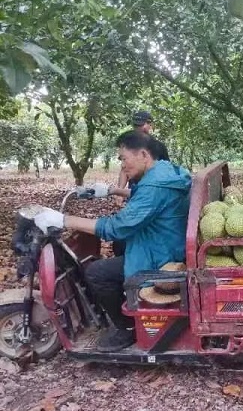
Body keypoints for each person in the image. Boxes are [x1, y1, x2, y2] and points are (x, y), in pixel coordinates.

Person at [33, 130, 191, 352]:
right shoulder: (167, 172)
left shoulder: (155, 186)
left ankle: (126, 328)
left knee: (97, 273)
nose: (122, 165)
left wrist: (63, 219)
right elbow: (144, 197)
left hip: (162, 255)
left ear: (144, 154)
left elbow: (117, 227)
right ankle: (125, 304)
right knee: (118, 247)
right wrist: (109, 191)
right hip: (167, 241)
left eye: (124, 158)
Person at [115, 111, 170, 204]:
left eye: (141, 125)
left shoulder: (158, 147)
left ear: (150, 125)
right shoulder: (129, 146)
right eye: (136, 126)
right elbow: (124, 170)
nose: (139, 129)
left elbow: (166, 171)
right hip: (134, 192)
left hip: (152, 193)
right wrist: (119, 192)